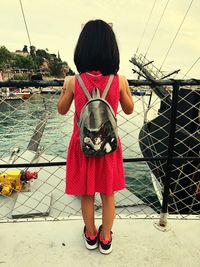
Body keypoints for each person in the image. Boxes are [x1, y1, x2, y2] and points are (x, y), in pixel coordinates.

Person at [57, 19, 134, 254]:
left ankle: (90, 235)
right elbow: (129, 109)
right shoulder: (118, 80)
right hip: (109, 146)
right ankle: (106, 237)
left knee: (87, 193)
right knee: (108, 194)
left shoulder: (73, 81)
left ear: (82, 49)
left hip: (83, 146)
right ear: (112, 49)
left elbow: (61, 109)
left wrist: (64, 88)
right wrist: (125, 88)